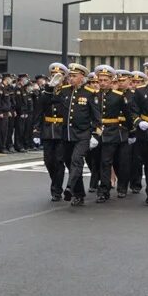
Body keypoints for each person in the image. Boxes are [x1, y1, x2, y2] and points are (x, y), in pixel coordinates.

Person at [48, 63, 100, 207]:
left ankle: (70, 188)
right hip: (66, 134)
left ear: (82, 77)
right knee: (69, 163)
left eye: (74, 76)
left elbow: (97, 118)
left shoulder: (90, 93)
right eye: (70, 76)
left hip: (83, 134)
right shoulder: (64, 91)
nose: (71, 78)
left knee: (77, 160)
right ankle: (79, 194)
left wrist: (95, 135)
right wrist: (49, 87)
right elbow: (47, 102)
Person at [88, 65, 130, 203]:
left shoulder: (118, 96)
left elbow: (127, 115)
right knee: (100, 161)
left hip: (113, 131)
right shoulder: (93, 96)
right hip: (98, 132)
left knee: (112, 161)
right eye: (100, 80)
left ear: (112, 80)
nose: (102, 82)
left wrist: (130, 131)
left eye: (106, 80)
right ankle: (103, 188)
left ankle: (114, 187)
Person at [33, 63, 67, 201]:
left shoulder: (67, 91)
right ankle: (56, 183)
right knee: (48, 161)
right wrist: (36, 130)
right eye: (53, 76)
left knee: (59, 161)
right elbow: (39, 110)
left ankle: (56, 190)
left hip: (62, 129)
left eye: (58, 76)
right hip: (48, 129)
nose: (55, 78)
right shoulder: (46, 92)